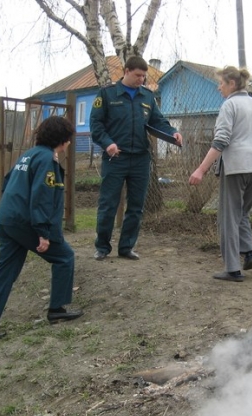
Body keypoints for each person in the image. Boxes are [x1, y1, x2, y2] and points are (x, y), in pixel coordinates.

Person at [0, 116, 83, 340]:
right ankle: (57, 309)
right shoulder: (46, 160)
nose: (69, 143)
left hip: (7, 219)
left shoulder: (28, 155)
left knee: (5, 271)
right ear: (62, 139)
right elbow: (41, 197)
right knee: (64, 257)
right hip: (26, 222)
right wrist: (43, 232)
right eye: (68, 139)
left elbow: (7, 181)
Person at [189, 66, 252, 282]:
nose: (219, 87)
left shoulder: (229, 105)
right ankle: (249, 252)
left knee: (229, 217)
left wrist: (201, 170)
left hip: (237, 166)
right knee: (241, 213)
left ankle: (232, 269)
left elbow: (221, 141)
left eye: (221, 83)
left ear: (232, 84)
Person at [90, 55, 182, 261]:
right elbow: (96, 125)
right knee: (108, 204)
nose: (142, 79)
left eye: (144, 76)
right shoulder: (107, 95)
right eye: (138, 75)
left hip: (140, 158)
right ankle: (102, 247)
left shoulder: (147, 97)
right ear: (127, 71)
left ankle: (126, 247)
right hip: (115, 158)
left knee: (136, 206)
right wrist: (108, 143)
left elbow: (158, 121)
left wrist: (173, 132)